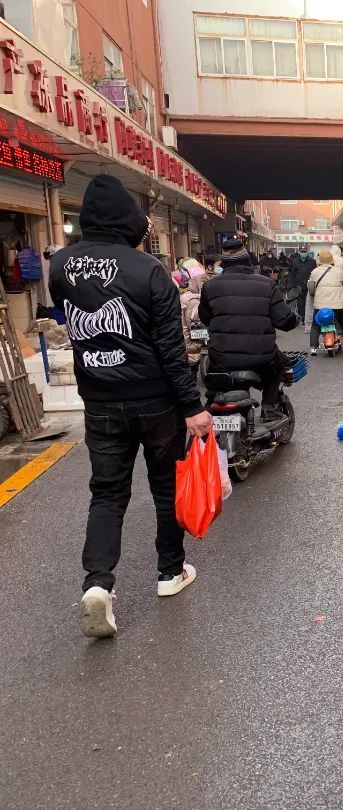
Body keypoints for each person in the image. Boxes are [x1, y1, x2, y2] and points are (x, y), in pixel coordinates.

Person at [47, 174, 212, 639]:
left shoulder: (60, 266)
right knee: (165, 487)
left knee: (107, 493)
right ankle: (169, 572)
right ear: (129, 220)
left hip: (100, 401)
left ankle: (98, 584)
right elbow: (170, 348)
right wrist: (192, 406)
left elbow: (70, 322)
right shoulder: (147, 269)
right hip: (155, 400)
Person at [199, 238, 299, 420]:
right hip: (261, 357)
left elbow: (205, 318)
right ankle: (269, 409)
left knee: (215, 380)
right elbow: (284, 320)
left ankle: (213, 407)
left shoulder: (209, 286)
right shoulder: (267, 284)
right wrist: (294, 320)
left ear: (224, 263)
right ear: (248, 261)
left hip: (222, 358)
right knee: (278, 366)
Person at [308, 249, 343, 355]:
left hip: (320, 306)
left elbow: (310, 287)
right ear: (332, 260)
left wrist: (313, 293)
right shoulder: (339, 271)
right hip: (338, 305)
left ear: (319, 261)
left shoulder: (315, 272)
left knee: (315, 325)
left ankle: (313, 347)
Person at [174, 258, 208, 385]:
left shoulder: (180, 296)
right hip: (190, 350)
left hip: (180, 347)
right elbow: (197, 329)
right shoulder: (193, 301)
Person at [289, 246, 317, 327]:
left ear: (307, 252)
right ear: (299, 252)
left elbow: (315, 273)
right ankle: (302, 318)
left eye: (305, 251)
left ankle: (310, 319)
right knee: (300, 303)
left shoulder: (312, 262)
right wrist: (293, 285)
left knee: (310, 303)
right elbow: (292, 273)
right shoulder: (295, 261)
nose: (303, 253)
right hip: (299, 285)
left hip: (309, 285)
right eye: (302, 251)